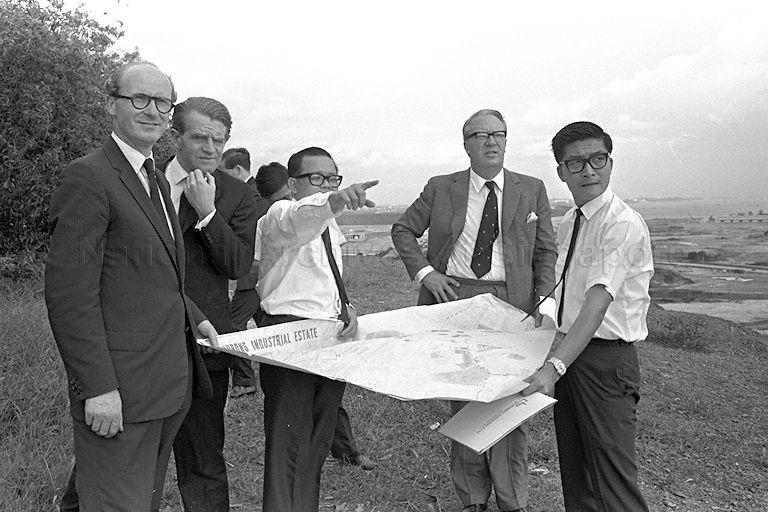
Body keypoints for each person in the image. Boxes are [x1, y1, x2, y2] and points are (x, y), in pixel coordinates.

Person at [46, 60, 216, 512]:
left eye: (163, 102)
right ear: (111, 105)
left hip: (165, 382)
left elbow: (155, 271)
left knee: (130, 500)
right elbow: (70, 296)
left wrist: (195, 317)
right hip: (119, 390)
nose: (153, 110)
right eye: (139, 98)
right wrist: (97, 387)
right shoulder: (89, 176)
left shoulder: (155, 177)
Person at [391, 109, 557, 512]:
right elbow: (403, 230)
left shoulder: (531, 188)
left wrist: (545, 303)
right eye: (480, 135)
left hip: (512, 304)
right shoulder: (441, 187)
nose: (491, 142)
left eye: (499, 134)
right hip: (455, 301)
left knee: (510, 401)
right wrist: (427, 273)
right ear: (465, 144)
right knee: (464, 400)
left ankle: (511, 500)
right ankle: (472, 500)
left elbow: (545, 251)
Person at [521, 121, 652, 512]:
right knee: (577, 478)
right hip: (573, 356)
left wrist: (553, 367)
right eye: (575, 163)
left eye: (598, 159)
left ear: (610, 163)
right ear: (561, 172)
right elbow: (567, 293)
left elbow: (596, 304)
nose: (588, 170)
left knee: (613, 482)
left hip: (606, 361)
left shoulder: (621, 223)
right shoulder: (572, 220)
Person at [255, 146, 377, 511]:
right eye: (316, 179)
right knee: (287, 439)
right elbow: (299, 219)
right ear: (293, 184)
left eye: (332, 178)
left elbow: (325, 278)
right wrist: (334, 199)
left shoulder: (329, 225)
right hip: (290, 335)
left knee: (318, 439)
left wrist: (346, 306)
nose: (325, 185)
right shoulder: (279, 215)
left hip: (330, 335)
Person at [162, 97, 258, 512]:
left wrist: (207, 213)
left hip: (206, 340)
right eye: (200, 137)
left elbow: (238, 264)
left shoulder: (237, 194)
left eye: (219, 140)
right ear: (175, 136)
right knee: (129, 449)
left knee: (203, 457)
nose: (211, 149)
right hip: (144, 335)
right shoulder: (142, 180)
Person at [221, 147, 266, 398]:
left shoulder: (247, 197)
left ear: (237, 170)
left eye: (224, 172)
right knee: (264, 322)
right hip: (261, 275)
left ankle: (245, 380)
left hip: (253, 275)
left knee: (234, 323)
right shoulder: (260, 194)